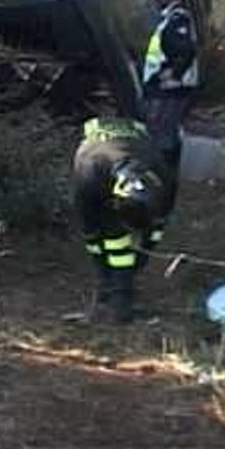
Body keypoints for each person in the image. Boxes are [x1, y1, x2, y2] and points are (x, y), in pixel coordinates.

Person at [71, 117, 173, 323]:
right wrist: (103, 270)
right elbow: (89, 228)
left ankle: (119, 297)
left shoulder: (163, 175)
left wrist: (145, 252)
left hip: (135, 141)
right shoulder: (88, 171)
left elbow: (160, 223)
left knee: (118, 247)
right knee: (108, 237)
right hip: (96, 162)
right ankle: (112, 294)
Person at [142, 0, 199, 209]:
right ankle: (164, 185)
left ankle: (164, 189)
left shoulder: (177, 20)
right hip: (165, 89)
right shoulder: (169, 20)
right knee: (165, 134)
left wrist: (172, 74)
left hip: (170, 90)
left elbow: (185, 51)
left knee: (163, 137)